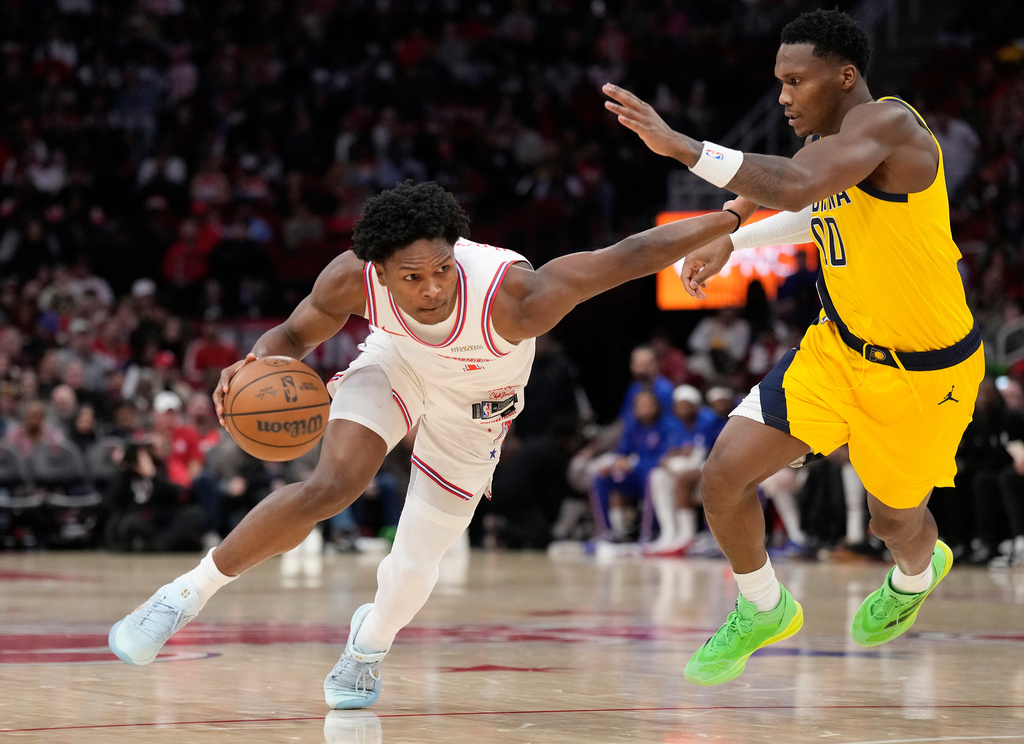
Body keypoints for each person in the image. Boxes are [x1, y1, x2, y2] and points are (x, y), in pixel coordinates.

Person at [107, 179, 741, 708]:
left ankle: (368, 645)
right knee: (331, 486)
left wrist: (731, 215)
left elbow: (628, 255)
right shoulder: (349, 281)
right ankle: (179, 598)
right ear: (378, 272)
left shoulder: (513, 296)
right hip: (397, 366)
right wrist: (251, 364)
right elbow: (290, 338)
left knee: (413, 566)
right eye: (412, 277)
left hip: (477, 406)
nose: (433, 287)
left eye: (442, 268)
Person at [604, 7, 984, 685]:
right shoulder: (828, 147)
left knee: (893, 521)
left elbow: (799, 186)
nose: (782, 95)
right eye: (778, 80)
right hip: (836, 351)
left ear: (844, 76)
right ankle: (762, 607)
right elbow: (806, 207)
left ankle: (919, 572)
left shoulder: (890, 127)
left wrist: (686, 148)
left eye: (795, 80)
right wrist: (732, 236)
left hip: (924, 373)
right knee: (723, 476)